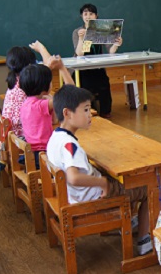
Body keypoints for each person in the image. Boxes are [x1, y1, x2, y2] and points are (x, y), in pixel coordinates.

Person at [46, 84, 152, 255]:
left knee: (124, 178)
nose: (90, 114)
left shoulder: (55, 137)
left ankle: (130, 220)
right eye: (86, 110)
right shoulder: (70, 145)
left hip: (75, 194)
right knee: (148, 188)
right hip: (91, 196)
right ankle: (144, 241)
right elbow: (73, 177)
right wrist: (102, 182)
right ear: (67, 113)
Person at [19, 57, 74, 168]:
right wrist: (62, 68)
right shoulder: (41, 105)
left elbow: (54, 120)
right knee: (74, 153)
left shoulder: (26, 103)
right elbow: (71, 92)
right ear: (45, 86)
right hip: (44, 155)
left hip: (31, 154)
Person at [2, 41, 63, 139]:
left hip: (12, 136)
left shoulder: (15, 80)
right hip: (23, 137)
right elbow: (54, 120)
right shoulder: (27, 84)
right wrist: (42, 49)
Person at [72, 3, 123, 118]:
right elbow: (80, 53)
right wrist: (81, 38)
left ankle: (105, 112)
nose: (88, 16)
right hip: (82, 69)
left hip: (98, 67)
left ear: (96, 16)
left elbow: (111, 51)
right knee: (85, 85)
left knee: (104, 83)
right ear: (81, 16)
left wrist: (116, 44)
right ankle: (90, 111)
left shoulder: (102, 30)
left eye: (91, 13)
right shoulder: (78, 32)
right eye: (85, 14)